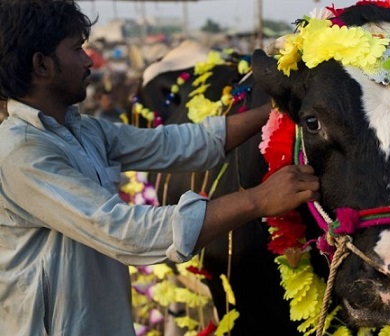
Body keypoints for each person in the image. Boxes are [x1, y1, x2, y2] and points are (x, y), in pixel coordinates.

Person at [0, 1, 320, 335]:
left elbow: (175, 145)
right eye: (77, 49)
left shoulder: (82, 130)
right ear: (42, 65)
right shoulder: (22, 153)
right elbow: (127, 233)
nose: (87, 61)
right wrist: (260, 200)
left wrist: (276, 112)